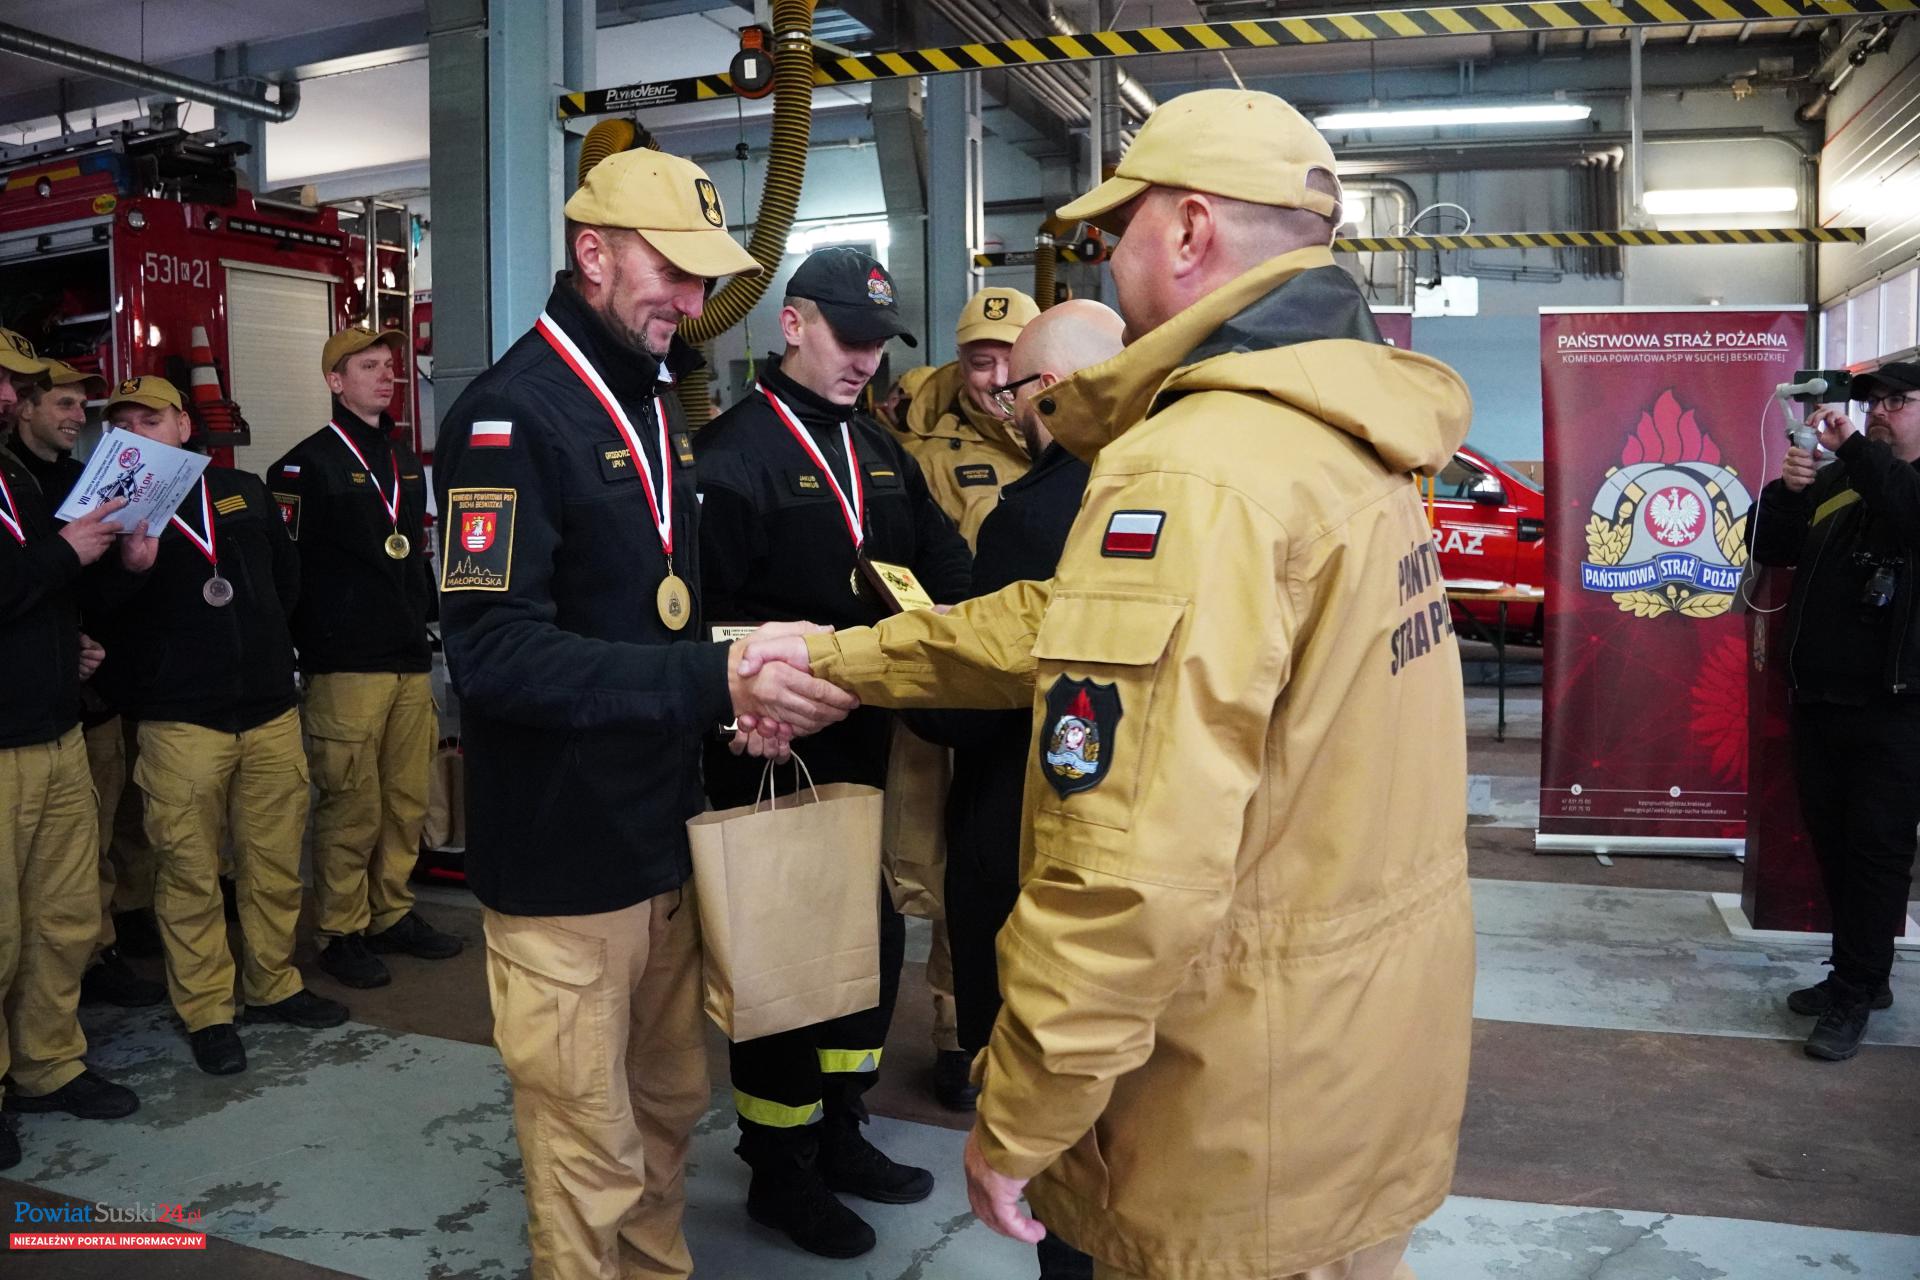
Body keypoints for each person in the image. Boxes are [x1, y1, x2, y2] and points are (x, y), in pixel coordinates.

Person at [738, 89, 1476, 1280]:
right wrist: (834, 659)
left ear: (1187, 230)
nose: (1109, 260)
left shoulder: (1196, 470)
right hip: (1356, 1065)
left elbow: (1131, 865)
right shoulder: (1350, 434)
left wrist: (1025, 1107)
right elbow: (1057, 622)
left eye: (1118, 230)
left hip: (1229, 1114)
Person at [432, 147, 856, 1280]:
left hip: (662, 838)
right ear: (593, 253)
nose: (691, 297)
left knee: (666, 1111)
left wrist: (732, 706)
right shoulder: (508, 418)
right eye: (671, 270)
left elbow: (653, 612)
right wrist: (711, 680)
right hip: (565, 866)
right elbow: (493, 654)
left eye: (702, 274)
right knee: (588, 1151)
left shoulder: (651, 399)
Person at [695, 247, 973, 1260]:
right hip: (771, 749)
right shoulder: (730, 457)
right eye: (848, 338)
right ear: (793, 324)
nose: (865, 360)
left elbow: (941, 565)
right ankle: (780, 1166)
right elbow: (695, 620)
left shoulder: (878, 448)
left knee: (865, 946)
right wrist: (737, 707)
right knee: (785, 961)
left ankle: (842, 1126)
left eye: (878, 344)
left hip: (867, 742)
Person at [901, 298, 1120, 1280]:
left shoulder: (1033, 514)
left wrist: (906, 665)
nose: (1005, 402)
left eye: (1020, 385)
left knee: (1052, 1136)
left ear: (1055, 390)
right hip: (1137, 853)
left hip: (1026, 836)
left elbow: (976, 704)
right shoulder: (1168, 486)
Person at [93, 376, 347, 1077]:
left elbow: (286, 580)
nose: (138, 434)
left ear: (183, 425)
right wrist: (131, 569)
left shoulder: (244, 492)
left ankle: (273, 984)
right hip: (181, 722)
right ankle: (207, 1010)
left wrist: (266, 653)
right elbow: (97, 611)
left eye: (151, 419)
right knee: (189, 873)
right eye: (123, 426)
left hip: (268, 713)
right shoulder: (107, 511)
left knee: (273, 865)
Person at [267, 328, 459, 992]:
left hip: (407, 658)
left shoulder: (402, 459)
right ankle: (340, 930)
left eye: (390, 366)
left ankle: (391, 912)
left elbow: (413, 556)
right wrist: (298, 649)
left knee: (406, 802)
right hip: (345, 664)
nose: (386, 376)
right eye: (368, 366)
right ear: (335, 381)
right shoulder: (302, 468)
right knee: (351, 807)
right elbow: (285, 571)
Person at [0, 332, 142, 1173]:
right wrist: (63, 554)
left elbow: (36, 592)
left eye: (14, 382)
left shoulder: (15, 477)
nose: (10, 395)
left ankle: (48, 1064)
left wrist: (69, 643)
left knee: (61, 919)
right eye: (4, 381)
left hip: (54, 729)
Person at [1752, 361, 1920, 1062]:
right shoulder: (1841, 483)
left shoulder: (1891, 480)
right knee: (1836, 847)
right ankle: (1859, 975)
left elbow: (1907, 511)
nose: (1878, 411)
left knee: (1876, 853)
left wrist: (1851, 448)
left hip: (1897, 710)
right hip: (1821, 699)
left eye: (1898, 401)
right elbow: (1771, 548)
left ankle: (1856, 992)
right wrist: (1788, 494)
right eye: (1872, 401)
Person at [1, 357, 165, 1010]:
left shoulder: (31, 479)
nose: (77, 416)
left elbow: (61, 594)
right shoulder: (23, 480)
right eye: (61, 402)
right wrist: (66, 553)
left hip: (66, 713)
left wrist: (76, 633)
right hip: (16, 728)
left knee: (67, 900)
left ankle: (56, 1047)